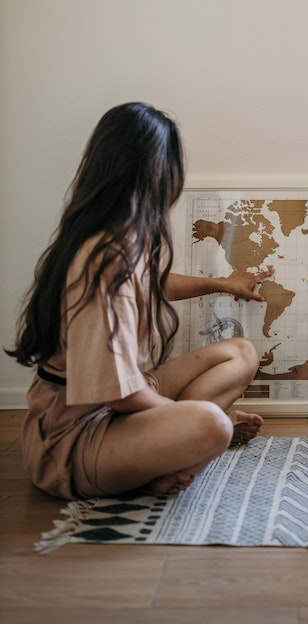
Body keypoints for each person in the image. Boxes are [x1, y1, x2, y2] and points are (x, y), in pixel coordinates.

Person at [6, 102, 274, 500]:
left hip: (115, 404)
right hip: (76, 437)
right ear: (156, 176)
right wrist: (189, 415)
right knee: (213, 426)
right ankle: (174, 449)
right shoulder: (103, 259)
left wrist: (222, 284)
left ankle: (170, 441)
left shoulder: (113, 236)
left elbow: (153, 286)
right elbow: (120, 394)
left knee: (241, 352)